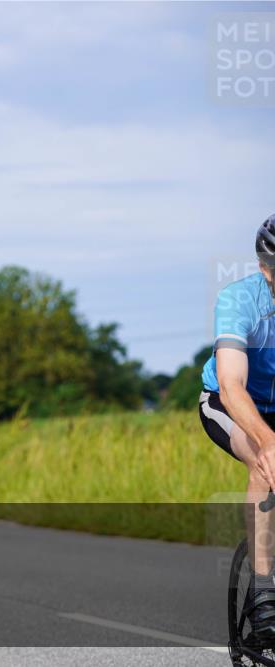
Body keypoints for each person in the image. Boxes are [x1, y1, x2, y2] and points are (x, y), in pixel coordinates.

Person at [201, 213, 275, 641]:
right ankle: (265, 595)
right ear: (266, 268)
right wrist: (268, 442)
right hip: (230, 404)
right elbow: (231, 386)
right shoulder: (237, 301)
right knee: (264, 461)